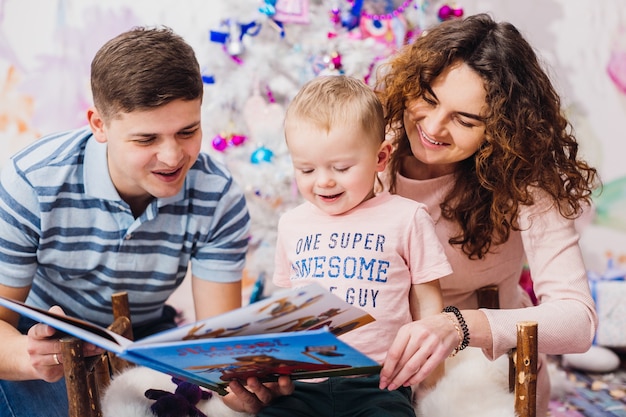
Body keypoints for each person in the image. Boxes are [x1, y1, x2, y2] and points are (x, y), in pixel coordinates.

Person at [0, 26, 291, 417]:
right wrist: (29, 355)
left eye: (187, 131)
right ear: (99, 125)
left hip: (146, 338)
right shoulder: (30, 183)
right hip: (36, 338)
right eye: (146, 140)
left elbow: (215, 347)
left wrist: (239, 387)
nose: (173, 157)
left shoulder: (218, 197)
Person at [374, 13, 599, 416]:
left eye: (464, 120)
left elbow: (578, 321)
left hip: (479, 360)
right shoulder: (374, 151)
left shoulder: (524, 177)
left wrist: (458, 327)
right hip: (381, 347)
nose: (433, 127)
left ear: (500, 130)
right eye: (427, 98)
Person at [263, 75, 453, 417]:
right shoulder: (292, 224)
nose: (323, 181)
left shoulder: (406, 217)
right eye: (306, 169)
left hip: (378, 380)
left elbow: (427, 301)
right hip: (304, 383)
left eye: (341, 167)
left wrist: (431, 383)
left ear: (380, 158)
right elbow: (285, 306)